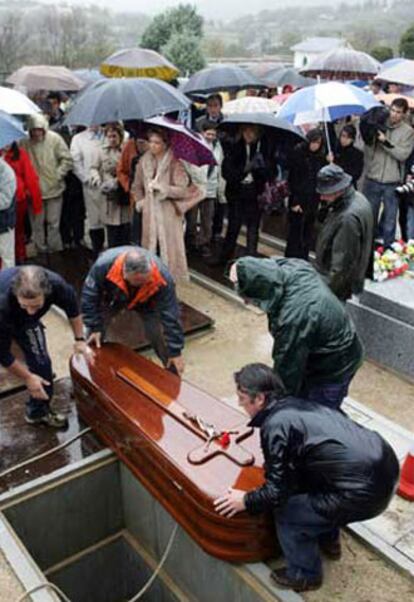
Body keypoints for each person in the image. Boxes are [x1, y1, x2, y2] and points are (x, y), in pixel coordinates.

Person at [214, 363, 399, 592]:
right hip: (385, 467)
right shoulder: (294, 403)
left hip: (364, 492)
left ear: (260, 399)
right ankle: (329, 541)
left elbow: (276, 493)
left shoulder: (275, 425)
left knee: (289, 513)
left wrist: (245, 500)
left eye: (242, 398)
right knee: (313, 490)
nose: (240, 404)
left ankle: (305, 575)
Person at [229, 256, 363, 406]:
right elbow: (270, 264)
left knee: (318, 415)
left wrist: (274, 409)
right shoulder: (293, 267)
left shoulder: (293, 317)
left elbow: (287, 371)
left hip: (332, 367)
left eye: (249, 298)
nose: (247, 302)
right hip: (338, 346)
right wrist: (240, 267)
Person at [0, 266, 90, 427]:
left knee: (41, 364)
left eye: (36, 306)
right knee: (23, 367)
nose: (31, 311)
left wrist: (80, 339)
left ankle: (37, 412)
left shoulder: (57, 285)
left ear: (47, 293)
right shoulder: (3, 302)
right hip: (4, 316)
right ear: (16, 295)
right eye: (25, 306)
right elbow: (2, 354)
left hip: (26, 324)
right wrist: (27, 378)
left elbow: (73, 310)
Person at [81, 246, 185, 375]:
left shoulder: (162, 277)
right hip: (113, 296)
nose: (141, 283)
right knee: (94, 334)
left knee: (157, 332)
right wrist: (94, 326)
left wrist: (175, 351)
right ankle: (93, 371)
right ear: (125, 274)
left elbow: (171, 314)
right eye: (137, 281)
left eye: (144, 280)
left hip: (146, 300)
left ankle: (172, 372)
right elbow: (89, 296)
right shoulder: (103, 265)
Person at [132, 128, 203, 281]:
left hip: (169, 214)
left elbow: (184, 190)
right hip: (149, 213)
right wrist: (141, 202)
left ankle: (169, 281)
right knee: (151, 248)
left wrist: (164, 189)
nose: (152, 145)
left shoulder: (174, 162)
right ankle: (151, 281)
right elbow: (136, 186)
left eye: (157, 142)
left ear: (165, 144)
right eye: (150, 141)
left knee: (169, 251)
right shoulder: (143, 160)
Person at [213, 124, 273, 263]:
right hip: (237, 192)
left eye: (252, 132)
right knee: (234, 226)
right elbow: (227, 172)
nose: (249, 134)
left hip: (254, 193)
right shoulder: (234, 148)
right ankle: (225, 257)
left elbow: (270, 173)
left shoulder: (262, 149)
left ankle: (251, 260)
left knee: (253, 228)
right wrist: (246, 169)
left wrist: (261, 168)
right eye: (246, 131)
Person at [315, 164, 374, 301]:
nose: (322, 198)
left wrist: (324, 295)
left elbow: (340, 267)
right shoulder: (358, 198)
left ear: (337, 191)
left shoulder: (347, 218)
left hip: (338, 290)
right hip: (349, 281)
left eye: (325, 193)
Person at [363, 97, 414, 248]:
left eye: (398, 112)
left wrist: (385, 141)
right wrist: (370, 134)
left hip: (392, 181)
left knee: (389, 224)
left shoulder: (408, 132)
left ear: (404, 114)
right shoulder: (379, 123)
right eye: (392, 110)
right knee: (368, 219)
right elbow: (368, 148)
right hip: (373, 177)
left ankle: (386, 255)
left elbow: (402, 154)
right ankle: (365, 253)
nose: (394, 114)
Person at [21, 114, 72, 253]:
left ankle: (55, 248)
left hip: (54, 188)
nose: (36, 133)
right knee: (36, 223)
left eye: (39, 129)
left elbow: (67, 159)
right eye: (34, 129)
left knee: (53, 222)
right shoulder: (24, 142)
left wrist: (58, 175)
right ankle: (40, 248)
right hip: (34, 190)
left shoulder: (55, 139)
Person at [285, 128, 327, 260]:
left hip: (312, 199)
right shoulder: (298, 153)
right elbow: (293, 178)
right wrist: (295, 201)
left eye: (318, 143)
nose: (315, 145)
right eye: (313, 142)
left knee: (307, 233)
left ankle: (302, 259)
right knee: (295, 233)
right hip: (299, 197)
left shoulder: (320, 158)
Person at [185, 121, 225, 257]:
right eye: (208, 133)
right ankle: (190, 243)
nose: (211, 136)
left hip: (211, 188)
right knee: (191, 219)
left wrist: (221, 192)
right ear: (202, 132)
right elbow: (189, 166)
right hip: (196, 187)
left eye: (213, 134)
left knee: (207, 220)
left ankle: (203, 244)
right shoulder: (194, 145)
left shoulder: (218, 147)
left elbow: (220, 168)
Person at [89, 124, 129, 249]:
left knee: (125, 229)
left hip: (123, 192)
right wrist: (96, 178)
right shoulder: (101, 150)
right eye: (109, 136)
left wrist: (119, 180)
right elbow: (93, 167)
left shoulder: (126, 150)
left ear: (120, 136)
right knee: (112, 230)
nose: (112, 139)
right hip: (108, 196)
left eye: (114, 136)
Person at [2, 142, 43, 264]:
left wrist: (32, 194)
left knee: (18, 230)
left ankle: (20, 258)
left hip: (18, 199)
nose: (6, 145)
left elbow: (30, 176)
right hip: (4, 197)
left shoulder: (20, 154)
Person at [70, 126, 106, 257]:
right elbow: (75, 162)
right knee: (94, 217)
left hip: (110, 185)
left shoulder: (112, 134)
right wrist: (86, 178)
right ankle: (95, 247)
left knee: (110, 217)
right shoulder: (78, 139)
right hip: (91, 186)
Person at [117, 120, 148, 244]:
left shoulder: (157, 144)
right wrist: (128, 186)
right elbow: (121, 170)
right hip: (135, 197)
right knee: (137, 230)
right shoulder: (129, 146)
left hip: (154, 196)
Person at [332, 124, 364, 188]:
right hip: (334, 186)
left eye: (348, 137)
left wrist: (336, 166)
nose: (344, 139)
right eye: (343, 136)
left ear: (352, 139)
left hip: (349, 187)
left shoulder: (357, 154)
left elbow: (356, 174)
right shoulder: (334, 150)